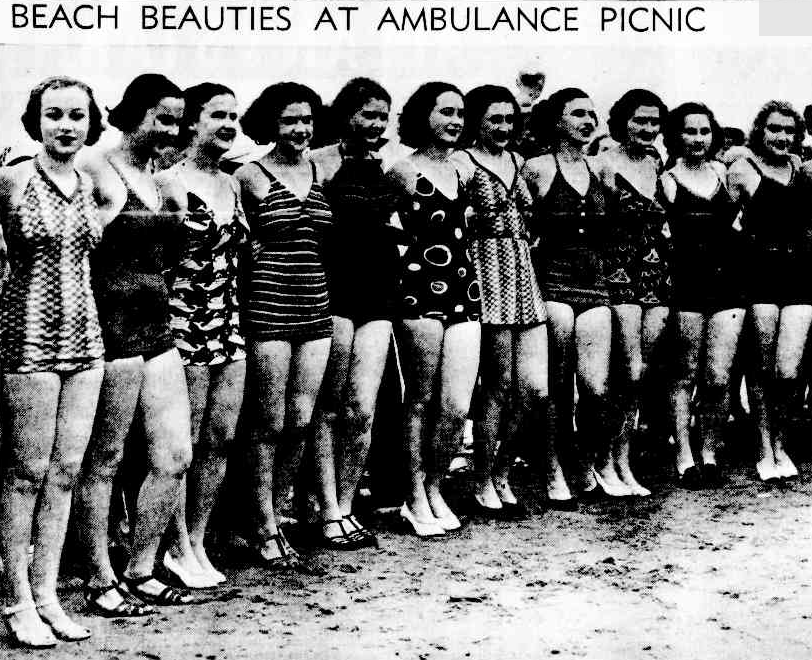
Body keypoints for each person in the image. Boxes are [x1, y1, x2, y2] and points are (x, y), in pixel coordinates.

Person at [74, 73, 193, 614]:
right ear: (134, 113)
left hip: (157, 328)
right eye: (161, 118)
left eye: (176, 120)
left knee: (175, 456)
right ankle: (100, 578)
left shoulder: (163, 178)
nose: (170, 129)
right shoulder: (96, 164)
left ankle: (141, 567)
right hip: (109, 329)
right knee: (104, 460)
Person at [0, 76, 104, 648]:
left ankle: (47, 595)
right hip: (25, 340)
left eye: (77, 116)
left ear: (92, 122)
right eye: (54, 114)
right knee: (23, 474)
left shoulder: (90, 182)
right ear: (35, 119)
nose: (66, 126)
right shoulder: (12, 179)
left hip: (85, 340)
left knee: (65, 472)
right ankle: (14, 600)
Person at [234, 83, 332, 569]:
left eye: (307, 120)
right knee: (267, 421)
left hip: (316, 305)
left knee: (300, 420)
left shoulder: (321, 170)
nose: (300, 129)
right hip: (269, 306)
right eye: (290, 120)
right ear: (270, 123)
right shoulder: (249, 175)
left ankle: (284, 508)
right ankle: (261, 524)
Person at [157, 83, 249, 583]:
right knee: (183, 442)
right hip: (183, 323)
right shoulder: (169, 181)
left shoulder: (231, 183)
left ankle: (196, 537)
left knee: (220, 437)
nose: (228, 124)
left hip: (228, 321)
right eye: (218, 115)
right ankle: (172, 546)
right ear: (192, 121)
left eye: (233, 116)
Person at [310, 78, 403, 548]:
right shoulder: (319, 161)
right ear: (346, 114)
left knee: (363, 407)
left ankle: (347, 505)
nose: (376, 123)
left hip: (378, 288)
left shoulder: (385, 165)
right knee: (328, 405)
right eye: (368, 114)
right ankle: (327, 508)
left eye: (383, 116)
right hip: (334, 287)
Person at [388, 82, 481, 536]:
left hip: (464, 290)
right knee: (420, 400)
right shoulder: (402, 171)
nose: (455, 121)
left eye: (461, 113)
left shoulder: (464, 169)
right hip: (418, 293)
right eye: (445, 112)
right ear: (423, 116)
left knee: (456, 403)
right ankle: (413, 496)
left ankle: (435, 484)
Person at [455, 85, 547, 516]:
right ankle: (483, 478)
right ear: (477, 121)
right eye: (495, 120)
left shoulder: (518, 163)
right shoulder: (462, 162)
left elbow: (529, 216)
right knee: (498, 385)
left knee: (534, 389)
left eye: (510, 120)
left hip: (522, 274)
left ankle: (503, 470)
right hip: (485, 275)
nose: (504, 128)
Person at [522, 88, 618, 503]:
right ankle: (552, 466)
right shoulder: (537, 168)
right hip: (553, 283)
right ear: (556, 120)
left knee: (596, 389)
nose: (587, 121)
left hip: (594, 284)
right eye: (578, 113)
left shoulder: (603, 169)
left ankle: (585, 458)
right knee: (556, 387)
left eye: (592, 114)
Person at [661, 102, 746, 487]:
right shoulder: (668, 180)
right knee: (684, 374)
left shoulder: (724, 175)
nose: (697, 139)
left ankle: (710, 452)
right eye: (689, 131)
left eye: (704, 131)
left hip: (727, 286)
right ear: (675, 135)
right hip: (687, 287)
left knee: (717, 378)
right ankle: (684, 456)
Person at [593, 89, 671, 496]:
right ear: (622, 121)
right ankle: (602, 462)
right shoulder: (604, 164)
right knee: (626, 370)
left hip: (655, 275)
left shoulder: (656, 163)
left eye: (654, 122)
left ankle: (623, 463)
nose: (647, 129)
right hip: (618, 274)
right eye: (639, 121)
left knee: (639, 379)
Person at [728, 101, 811, 482]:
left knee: (790, 371)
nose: (781, 136)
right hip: (758, 273)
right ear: (760, 130)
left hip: (798, 275)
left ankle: (781, 443)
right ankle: (764, 448)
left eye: (789, 131)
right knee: (761, 370)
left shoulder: (802, 170)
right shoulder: (742, 169)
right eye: (774, 128)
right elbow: (724, 226)